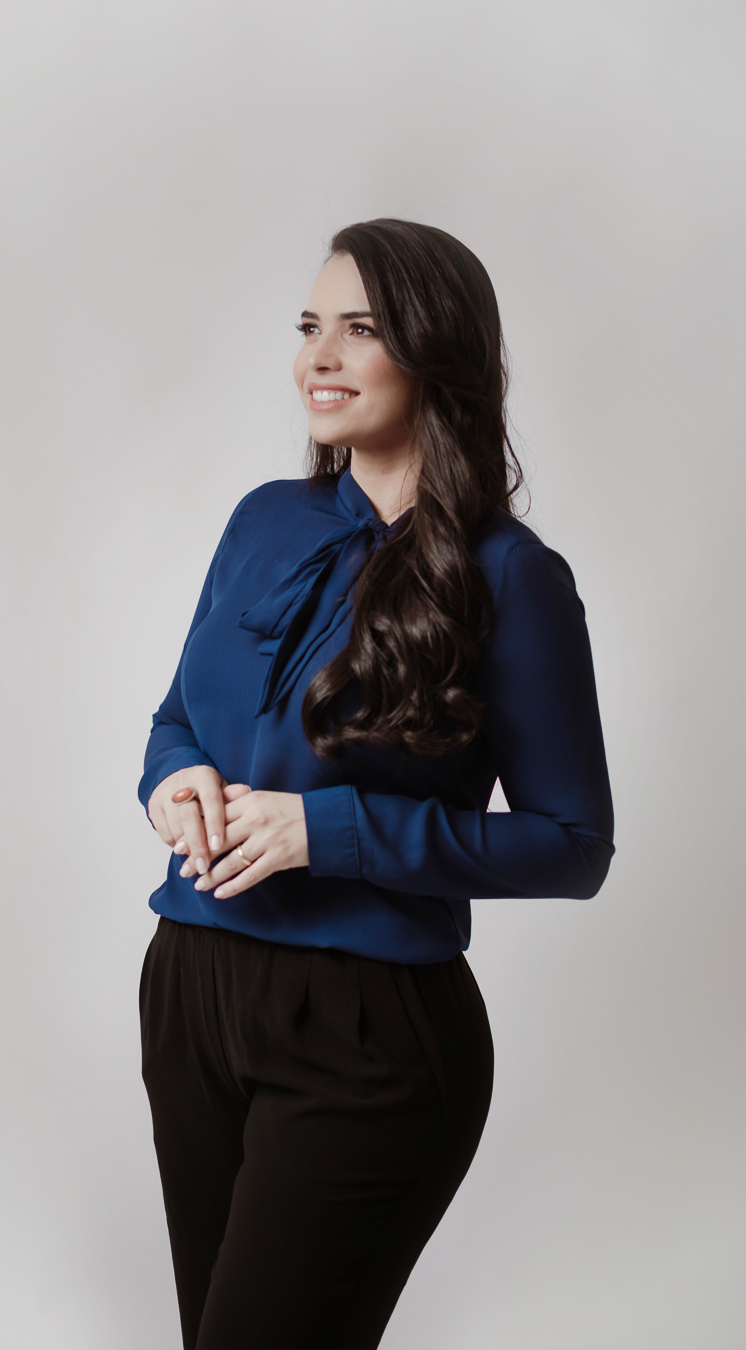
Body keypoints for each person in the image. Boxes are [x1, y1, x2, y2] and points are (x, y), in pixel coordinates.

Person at [137, 218, 614, 1350]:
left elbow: (573, 843)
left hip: (366, 1028)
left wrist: (330, 831)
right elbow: (176, 721)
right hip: (192, 985)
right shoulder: (264, 518)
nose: (320, 357)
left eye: (360, 329)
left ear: (435, 348)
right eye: (310, 327)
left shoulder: (512, 576)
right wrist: (173, 781)